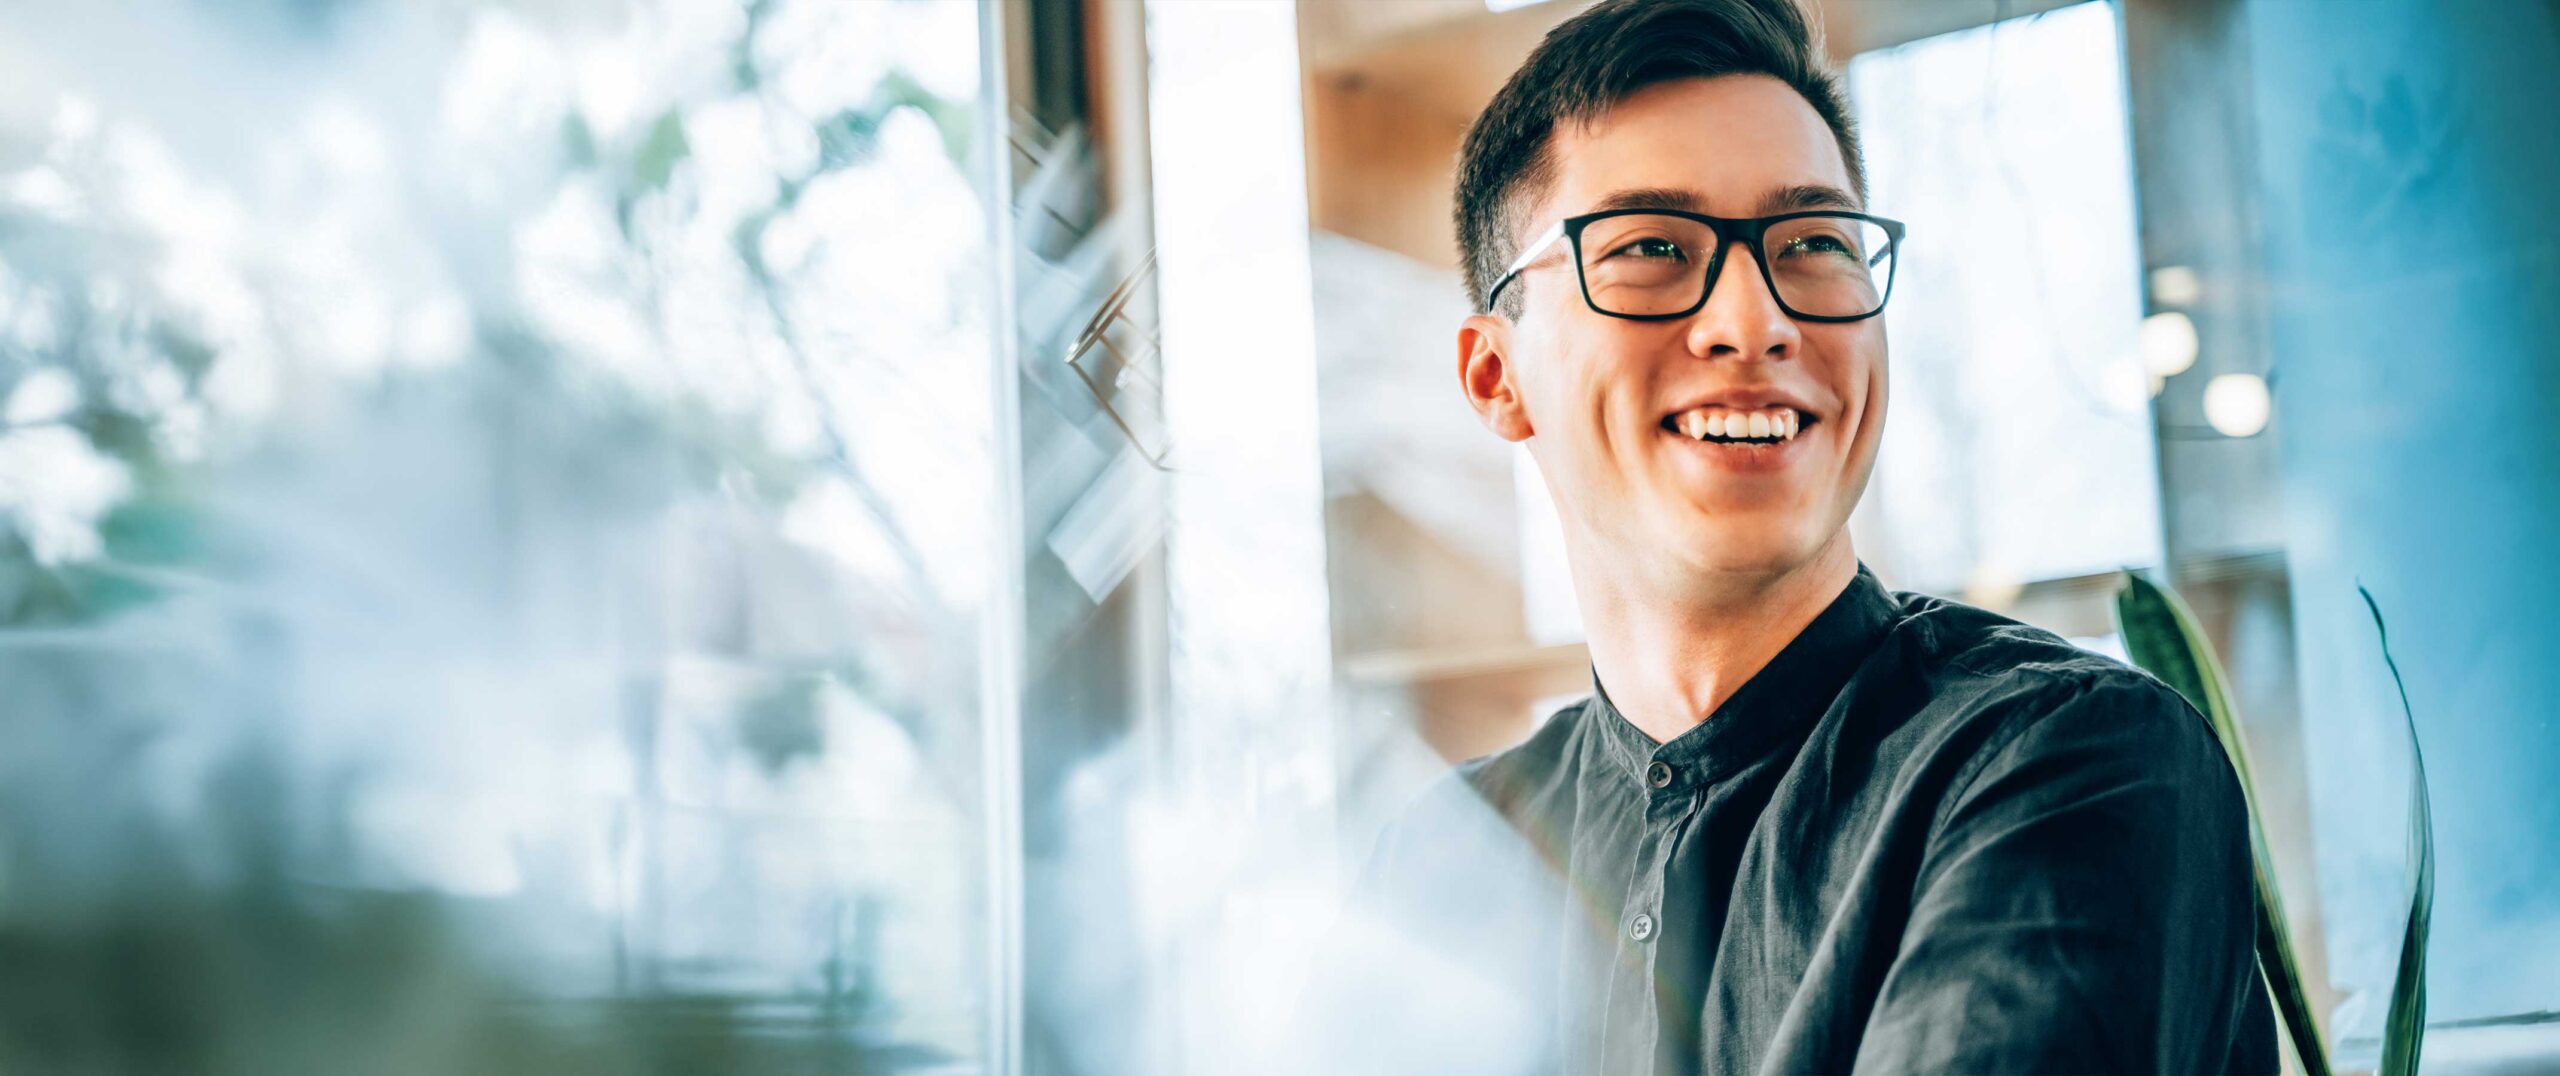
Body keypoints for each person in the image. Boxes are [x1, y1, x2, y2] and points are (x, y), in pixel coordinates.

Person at [1329, 0, 2278, 1071]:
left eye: (1813, 242)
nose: (1755, 319)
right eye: (1649, 246)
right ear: (1496, 376)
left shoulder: (2065, 761)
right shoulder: (1443, 859)